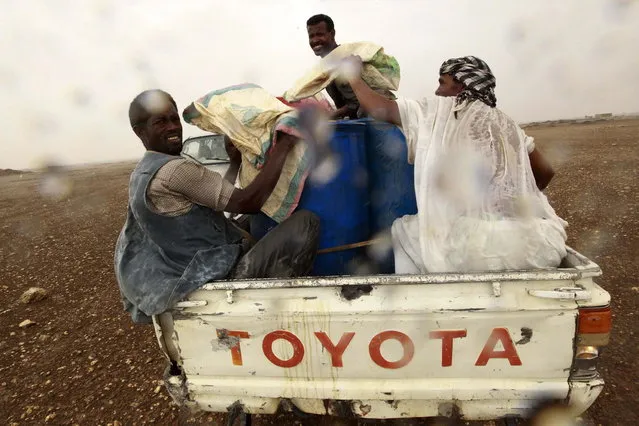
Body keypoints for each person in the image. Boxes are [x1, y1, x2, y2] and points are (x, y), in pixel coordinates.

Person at [340, 55, 567, 273]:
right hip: (535, 245)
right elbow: (546, 171)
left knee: (404, 230)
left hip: (476, 250)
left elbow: (379, 107)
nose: (437, 90)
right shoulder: (508, 124)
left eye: (442, 82)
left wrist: (353, 77)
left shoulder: (439, 111)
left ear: (460, 86)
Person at [115, 90, 320, 323]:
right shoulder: (175, 170)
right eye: (160, 122)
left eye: (174, 119)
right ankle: (274, 303)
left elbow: (213, 200)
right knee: (306, 223)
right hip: (215, 274)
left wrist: (234, 164)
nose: (173, 127)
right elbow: (248, 202)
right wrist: (283, 145)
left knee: (254, 221)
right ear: (140, 131)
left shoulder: (143, 172)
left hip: (188, 261)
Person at [306, 14, 396, 120]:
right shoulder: (327, 66)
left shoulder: (345, 60)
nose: (315, 40)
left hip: (379, 121)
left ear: (332, 34)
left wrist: (332, 115)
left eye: (320, 34)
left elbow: (359, 102)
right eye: (311, 36)